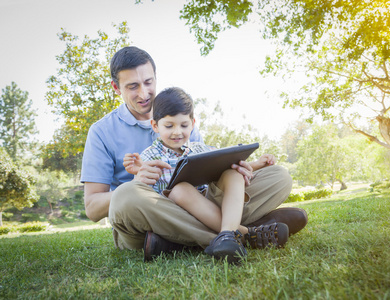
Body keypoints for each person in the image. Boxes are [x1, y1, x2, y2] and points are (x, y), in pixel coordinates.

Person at [80, 46, 308, 262]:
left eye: (148, 82)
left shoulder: (179, 116)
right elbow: (92, 209)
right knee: (126, 195)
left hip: (197, 205)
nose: (144, 93)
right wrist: (137, 181)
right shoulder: (101, 132)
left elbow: (205, 170)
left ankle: (177, 243)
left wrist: (240, 167)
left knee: (278, 176)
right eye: (132, 86)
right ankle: (246, 234)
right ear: (116, 88)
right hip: (150, 216)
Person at [123, 87, 289, 263]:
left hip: (210, 203)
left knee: (233, 173)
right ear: (155, 125)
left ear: (193, 123)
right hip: (179, 215)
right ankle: (247, 233)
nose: (177, 132)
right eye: (169, 126)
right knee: (180, 190)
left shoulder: (201, 149)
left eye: (184, 125)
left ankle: (226, 236)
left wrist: (256, 164)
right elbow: (142, 198)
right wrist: (137, 176)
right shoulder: (148, 157)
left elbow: (228, 164)